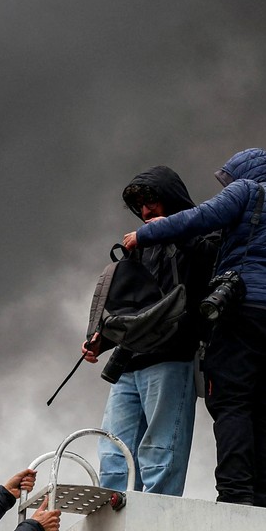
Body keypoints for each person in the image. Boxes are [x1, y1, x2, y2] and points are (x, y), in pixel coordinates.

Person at [123, 148, 266, 509]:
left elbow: (204, 217)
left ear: (242, 174)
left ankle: (235, 495)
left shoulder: (248, 190)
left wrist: (146, 235)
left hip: (242, 310)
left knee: (231, 401)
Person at [81, 166, 218, 495]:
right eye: (139, 206)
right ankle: (111, 518)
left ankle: (157, 523)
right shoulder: (140, 248)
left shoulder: (204, 230)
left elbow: (209, 265)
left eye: (151, 201)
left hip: (173, 357)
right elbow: (135, 308)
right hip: (130, 361)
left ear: (170, 197)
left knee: (161, 453)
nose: (144, 211)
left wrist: (172, 231)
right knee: (113, 453)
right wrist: (105, 339)